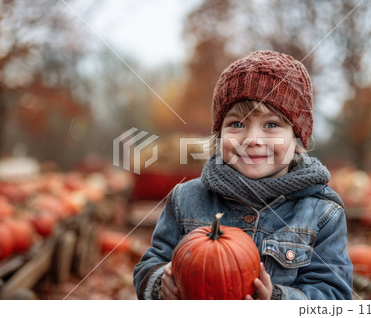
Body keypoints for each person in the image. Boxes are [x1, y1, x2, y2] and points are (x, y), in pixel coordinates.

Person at [133, 50, 353, 300]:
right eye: (237, 124)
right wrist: (160, 284)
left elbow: (333, 294)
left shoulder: (322, 213)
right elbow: (150, 263)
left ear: (297, 136)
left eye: (271, 125)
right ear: (219, 134)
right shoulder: (186, 200)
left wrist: (278, 300)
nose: (252, 140)